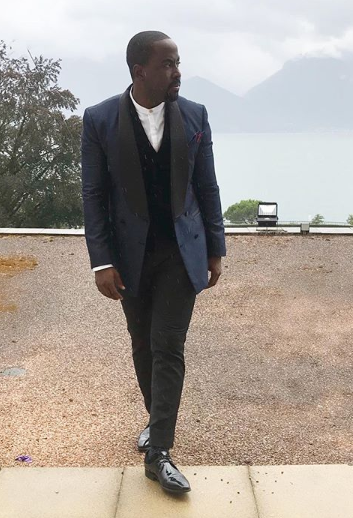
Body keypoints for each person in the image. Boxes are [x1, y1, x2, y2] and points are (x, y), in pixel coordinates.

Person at [81, 30, 226, 494]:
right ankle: (155, 421)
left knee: (168, 346)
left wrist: (216, 249)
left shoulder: (195, 115)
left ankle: (159, 450)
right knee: (142, 343)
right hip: (130, 256)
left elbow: (207, 186)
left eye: (177, 62)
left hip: (182, 252)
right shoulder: (100, 119)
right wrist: (101, 261)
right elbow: (94, 195)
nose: (177, 72)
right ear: (139, 71)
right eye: (168, 64)